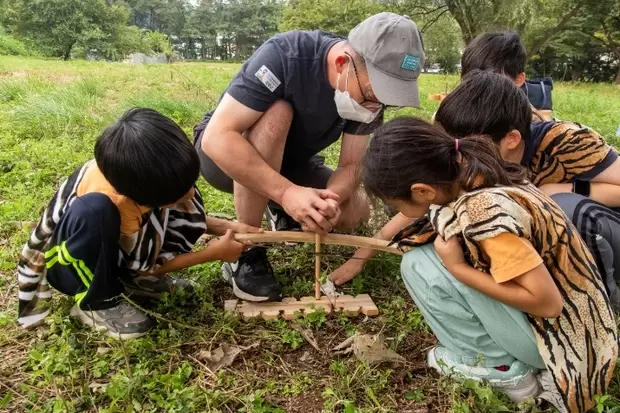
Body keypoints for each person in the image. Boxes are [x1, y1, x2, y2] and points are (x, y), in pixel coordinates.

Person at [362, 117, 617, 412]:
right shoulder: (475, 165)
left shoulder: (484, 214)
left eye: (394, 205)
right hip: (588, 334)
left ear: (423, 191)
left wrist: (460, 270)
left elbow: (548, 304)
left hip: (566, 348)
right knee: (429, 254)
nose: (395, 211)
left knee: (419, 265)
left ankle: (507, 372)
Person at [193, 12, 426, 302]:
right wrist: (287, 192)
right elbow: (218, 138)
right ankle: (246, 249)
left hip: (292, 164)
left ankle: (280, 210)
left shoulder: (365, 92)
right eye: (371, 94)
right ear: (343, 63)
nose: (376, 106)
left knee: (356, 212)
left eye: (385, 99)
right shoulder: (285, 56)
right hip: (225, 160)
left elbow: (352, 165)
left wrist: (327, 202)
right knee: (278, 111)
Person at [16, 108, 261, 339]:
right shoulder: (118, 203)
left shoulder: (144, 175)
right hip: (72, 265)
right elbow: (147, 267)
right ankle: (96, 302)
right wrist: (212, 254)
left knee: (169, 202)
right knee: (100, 214)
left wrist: (225, 227)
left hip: (116, 237)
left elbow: (169, 214)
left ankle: (130, 283)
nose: (189, 195)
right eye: (178, 195)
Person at [434, 70, 620, 311]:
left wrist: (561, 189)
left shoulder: (567, 141)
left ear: (511, 139)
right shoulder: (476, 159)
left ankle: (605, 297)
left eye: (469, 150)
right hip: (565, 245)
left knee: (563, 206)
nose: (460, 160)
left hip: (604, 232)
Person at [460, 31, 552, 122]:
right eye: (470, 79)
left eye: (492, 80)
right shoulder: (453, 113)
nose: (478, 87)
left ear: (518, 80)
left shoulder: (530, 124)